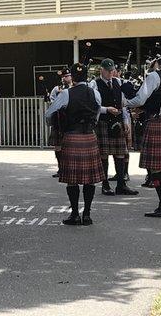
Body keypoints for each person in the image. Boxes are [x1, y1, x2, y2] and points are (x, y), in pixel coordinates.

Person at [45, 63, 104, 226]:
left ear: (73, 76)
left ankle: (75, 215)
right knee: (89, 179)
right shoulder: (96, 94)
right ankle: (87, 215)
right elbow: (97, 113)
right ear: (86, 76)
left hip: (71, 136)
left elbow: (49, 113)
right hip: (89, 136)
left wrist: (55, 123)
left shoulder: (66, 94)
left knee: (72, 180)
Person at [126, 55, 161, 217]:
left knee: (156, 167)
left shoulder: (154, 76)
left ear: (157, 62)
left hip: (156, 121)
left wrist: (125, 103)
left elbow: (141, 98)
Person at [88, 59, 138, 196]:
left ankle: (121, 185)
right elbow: (92, 105)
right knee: (103, 154)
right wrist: (106, 109)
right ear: (101, 70)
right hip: (103, 122)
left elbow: (123, 103)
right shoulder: (94, 84)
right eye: (108, 71)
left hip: (117, 121)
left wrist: (125, 120)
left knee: (120, 153)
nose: (111, 73)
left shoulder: (118, 82)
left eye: (112, 70)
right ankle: (105, 185)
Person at [49, 68, 72, 178]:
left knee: (71, 146)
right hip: (59, 120)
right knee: (58, 146)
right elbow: (52, 102)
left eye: (67, 76)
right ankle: (61, 169)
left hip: (71, 120)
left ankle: (70, 168)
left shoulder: (74, 88)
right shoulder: (56, 89)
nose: (65, 78)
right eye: (63, 76)